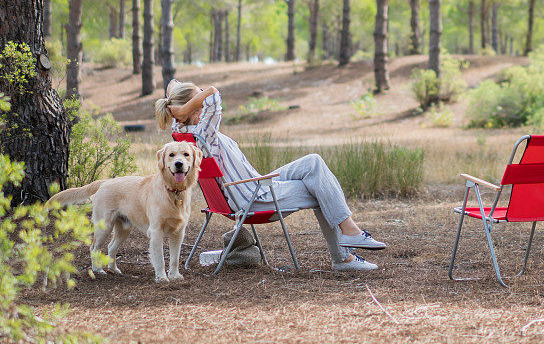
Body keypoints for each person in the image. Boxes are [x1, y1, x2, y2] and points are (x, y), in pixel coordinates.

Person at [155, 80, 385, 271]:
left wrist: (181, 106)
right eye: (198, 103)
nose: (203, 105)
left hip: (253, 186)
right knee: (319, 187)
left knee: (313, 163)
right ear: (191, 110)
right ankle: (344, 256)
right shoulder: (203, 132)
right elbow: (214, 94)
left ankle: (349, 235)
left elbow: (181, 94)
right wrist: (189, 104)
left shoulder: (181, 132)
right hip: (254, 196)